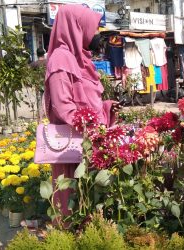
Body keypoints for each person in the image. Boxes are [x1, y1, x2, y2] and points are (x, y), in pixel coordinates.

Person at [44, 5, 121, 218]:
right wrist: (91, 125)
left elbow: (89, 101)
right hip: (74, 144)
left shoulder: (81, 59)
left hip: (89, 142)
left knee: (90, 198)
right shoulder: (61, 58)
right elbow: (63, 106)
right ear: (77, 28)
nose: (97, 34)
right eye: (94, 28)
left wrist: (106, 107)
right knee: (73, 198)